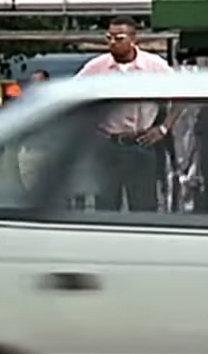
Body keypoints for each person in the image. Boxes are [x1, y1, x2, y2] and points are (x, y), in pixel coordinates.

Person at [75, 15, 176, 212]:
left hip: (141, 143)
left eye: (119, 38)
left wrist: (163, 128)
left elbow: (185, 95)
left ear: (133, 39)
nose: (113, 43)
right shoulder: (97, 67)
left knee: (144, 208)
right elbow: (72, 96)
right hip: (107, 144)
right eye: (109, 38)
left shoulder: (154, 66)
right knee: (106, 208)